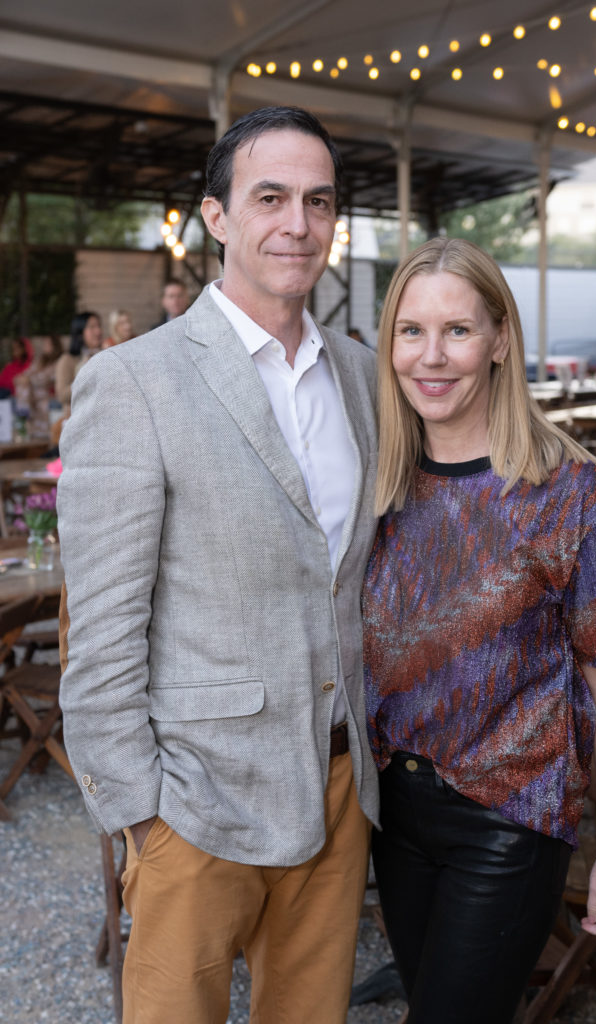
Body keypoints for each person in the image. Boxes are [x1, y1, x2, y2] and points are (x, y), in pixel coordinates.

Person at [58, 105, 379, 1024]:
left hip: (338, 786)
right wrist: (140, 814)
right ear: (217, 217)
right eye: (269, 197)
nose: (297, 224)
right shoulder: (135, 380)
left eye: (318, 201)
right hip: (196, 802)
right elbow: (102, 632)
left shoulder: (361, 375)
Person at [362, 237, 596, 1023]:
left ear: (498, 341)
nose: (431, 356)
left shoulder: (563, 488)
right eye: (411, 331)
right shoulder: (378, 480)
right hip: (393, 811)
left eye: (456, 330)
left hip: (511, 820)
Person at [13, 334, 62, 438]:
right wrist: (22, 377)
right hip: (34, 394)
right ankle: (24, 413)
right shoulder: (40, 361)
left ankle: (23, 415)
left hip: (48, 393)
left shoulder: (58, 362)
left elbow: (45, 379)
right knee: (23, 386)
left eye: (48, 344)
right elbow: (29, 371)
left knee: (25, 387)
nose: (45, 346)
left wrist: (29, 380)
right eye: (45, 344)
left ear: (55, 345)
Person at [54, 311, 103, 408]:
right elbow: (62, 396)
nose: (98, 331)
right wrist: (85, 375)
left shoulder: (105, 354)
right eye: (92, 327)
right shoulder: (68, 359)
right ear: (80, 332)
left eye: (99, 326)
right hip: (77, 414)